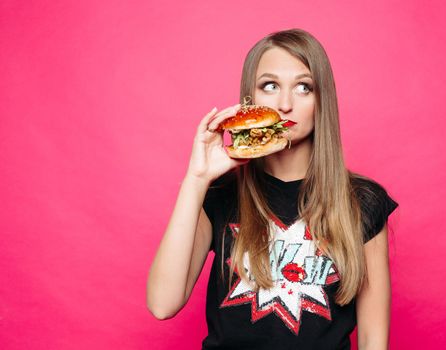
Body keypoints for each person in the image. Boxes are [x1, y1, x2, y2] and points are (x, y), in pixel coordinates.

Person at [147, 28, 399, 350]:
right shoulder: (221, 194)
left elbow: (372, 339)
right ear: (250, 99)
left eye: (303, 87)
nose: (284, 104)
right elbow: (162, 303)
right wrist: (197, 179)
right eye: (270, 86)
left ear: (322, 99)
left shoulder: (363, 201)